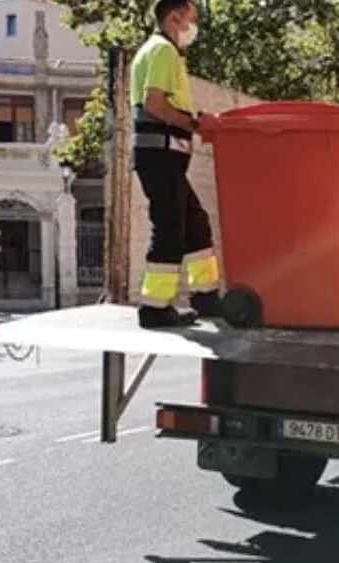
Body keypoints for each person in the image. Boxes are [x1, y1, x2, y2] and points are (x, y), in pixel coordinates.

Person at [130, 0, 221, 328]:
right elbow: (156, 104)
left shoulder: (154, 51)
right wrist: (195, 124)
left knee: (195, 222)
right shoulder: (163, 52)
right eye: (191, 19)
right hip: (161, 155)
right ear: (175, 16)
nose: (192, 27)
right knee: (170, 229)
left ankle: (206, 297)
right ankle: (154, 308)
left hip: (161, 156)